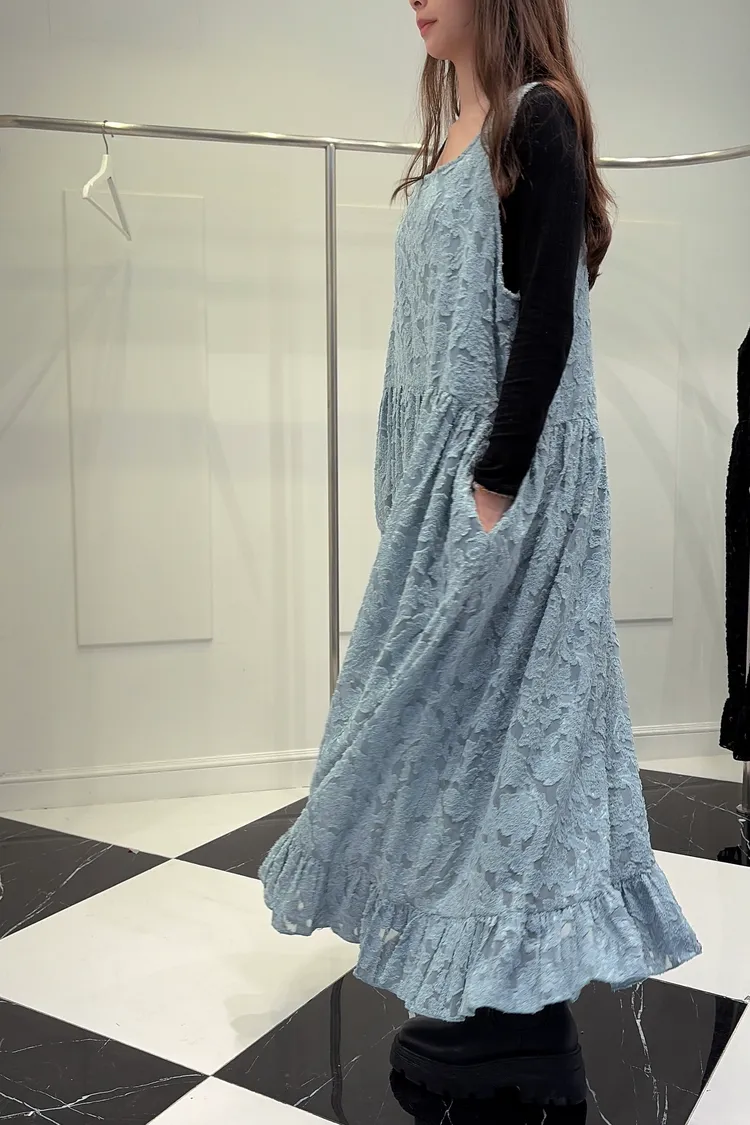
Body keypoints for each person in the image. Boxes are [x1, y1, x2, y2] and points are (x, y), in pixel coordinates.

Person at [261, 0, 701, 1104]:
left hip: (510, 490)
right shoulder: (459, 130)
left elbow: (548, 320)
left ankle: (515, 990)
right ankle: (477, 965)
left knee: (511, 736)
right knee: (449, 732)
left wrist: (494, 487)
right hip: (440, 485)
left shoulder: (534, 120)